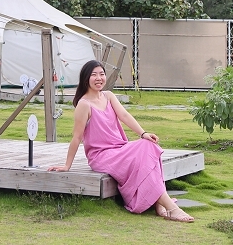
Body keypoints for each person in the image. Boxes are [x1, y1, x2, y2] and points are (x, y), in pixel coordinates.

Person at [47, 60, 194, 222]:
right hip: (102, 155)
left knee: (148, 146)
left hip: (120, 148)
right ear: (85, 79)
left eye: (102, 74)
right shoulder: (84, 104)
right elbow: (76, 137)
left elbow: (124, 116)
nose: (99, 78)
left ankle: (158, 203)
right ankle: (171, 208)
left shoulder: (108, 96)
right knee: (144, 156)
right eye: (94, 75)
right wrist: (67, 166)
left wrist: (143, 133)